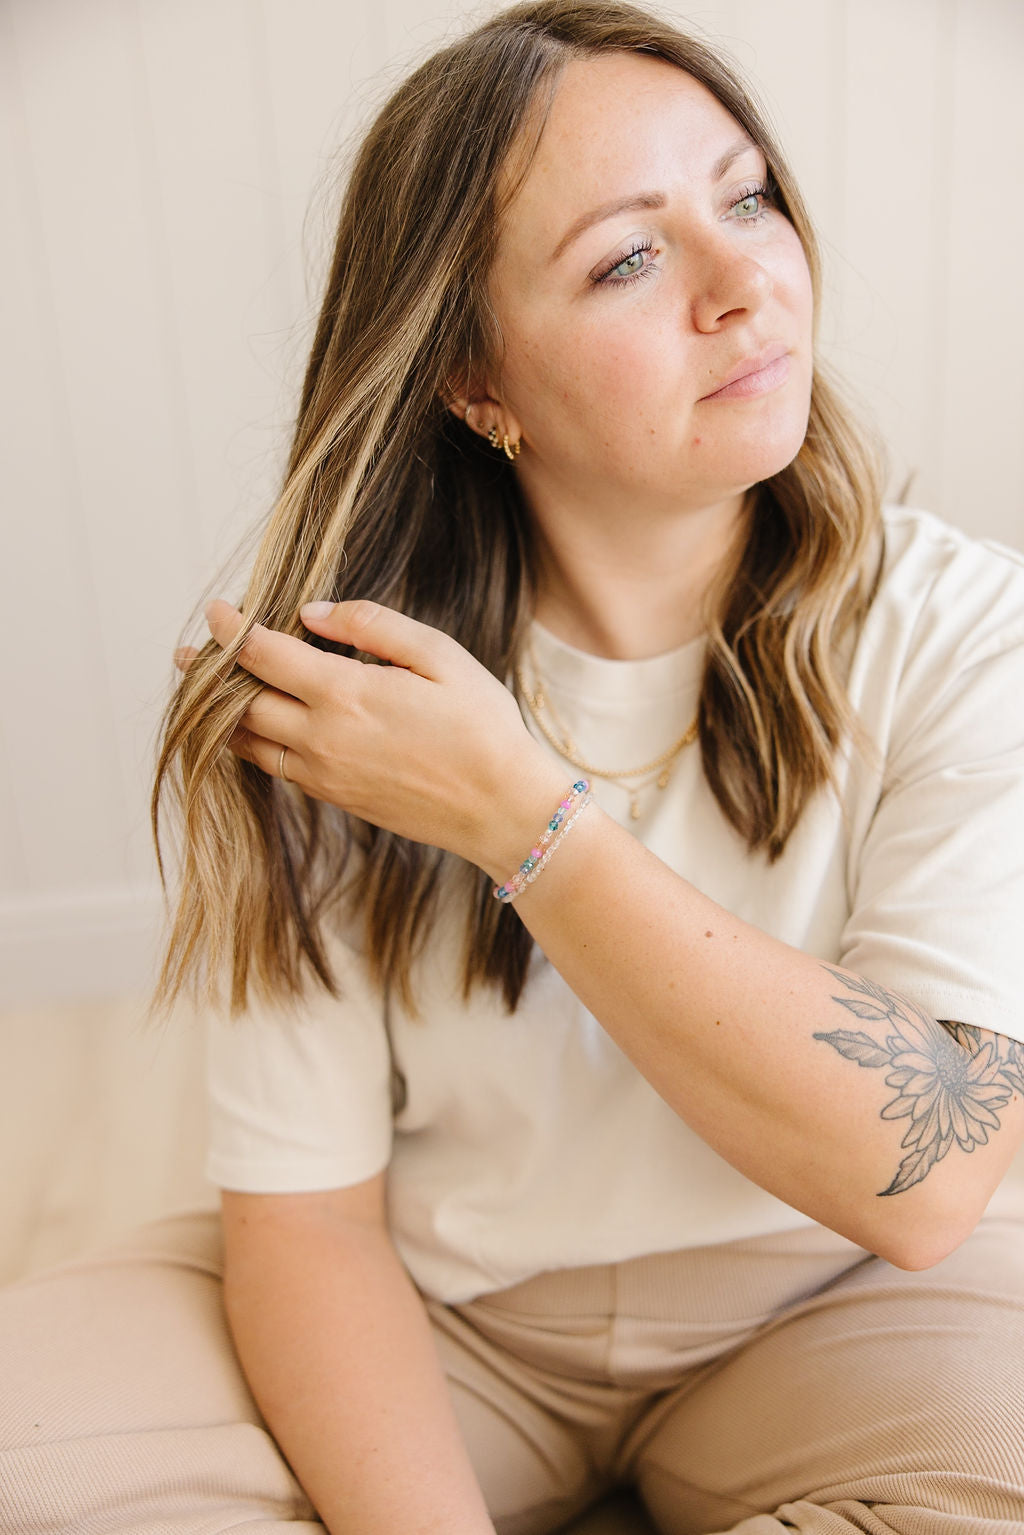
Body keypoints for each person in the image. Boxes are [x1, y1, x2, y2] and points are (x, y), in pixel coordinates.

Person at [2, 2, 1023, 1533]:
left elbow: (928, 1180)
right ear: (477, 384)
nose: (749, 281)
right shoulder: (343, 696)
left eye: (746, 197)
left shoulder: (966, 629)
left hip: (831, 1294)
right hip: (452, 1308)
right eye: (629, 257)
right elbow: (310, 1225)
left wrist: (519, 819)